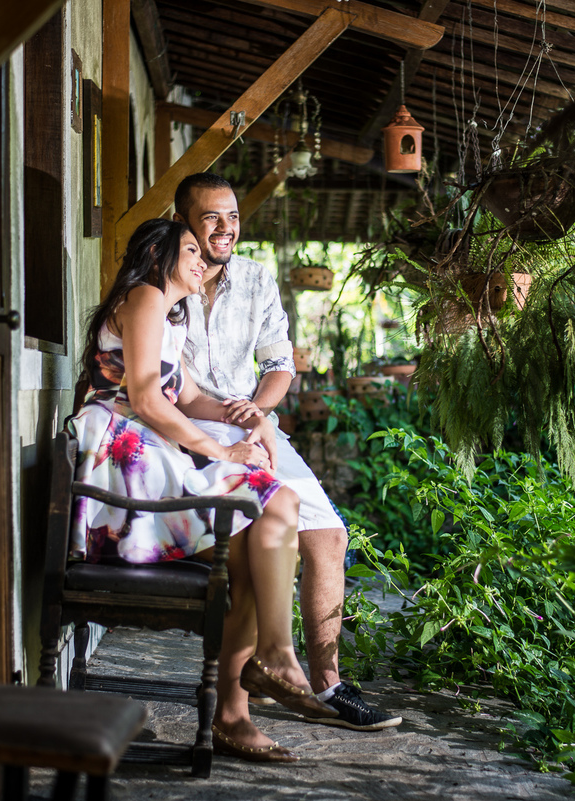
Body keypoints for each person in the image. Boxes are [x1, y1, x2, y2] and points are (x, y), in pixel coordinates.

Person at [67, 218, 338, 763]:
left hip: (153, 460)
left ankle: (274, 659)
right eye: (190, 250)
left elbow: (189, 398)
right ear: (158, 254)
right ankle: (239, 708)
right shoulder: (143, 296)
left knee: (277, 506)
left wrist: (248, 415)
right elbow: (145, 398)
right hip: (126, 469)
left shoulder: (166, 317)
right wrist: (221, 452)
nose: (203, 260)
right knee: (261, 550)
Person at [172, 172, 402, 731]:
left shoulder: (255, 279)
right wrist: (233, 420)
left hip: (257, 425)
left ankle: (329, 686)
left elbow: (280, 366)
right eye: (211, 218)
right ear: (185, 223)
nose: (226, 228)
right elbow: (166, 386)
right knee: (253, 539)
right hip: (189, 431)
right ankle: (254, 678)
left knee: (328, 535)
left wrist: (257, 411)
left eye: (231, 216)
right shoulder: (165, 279)